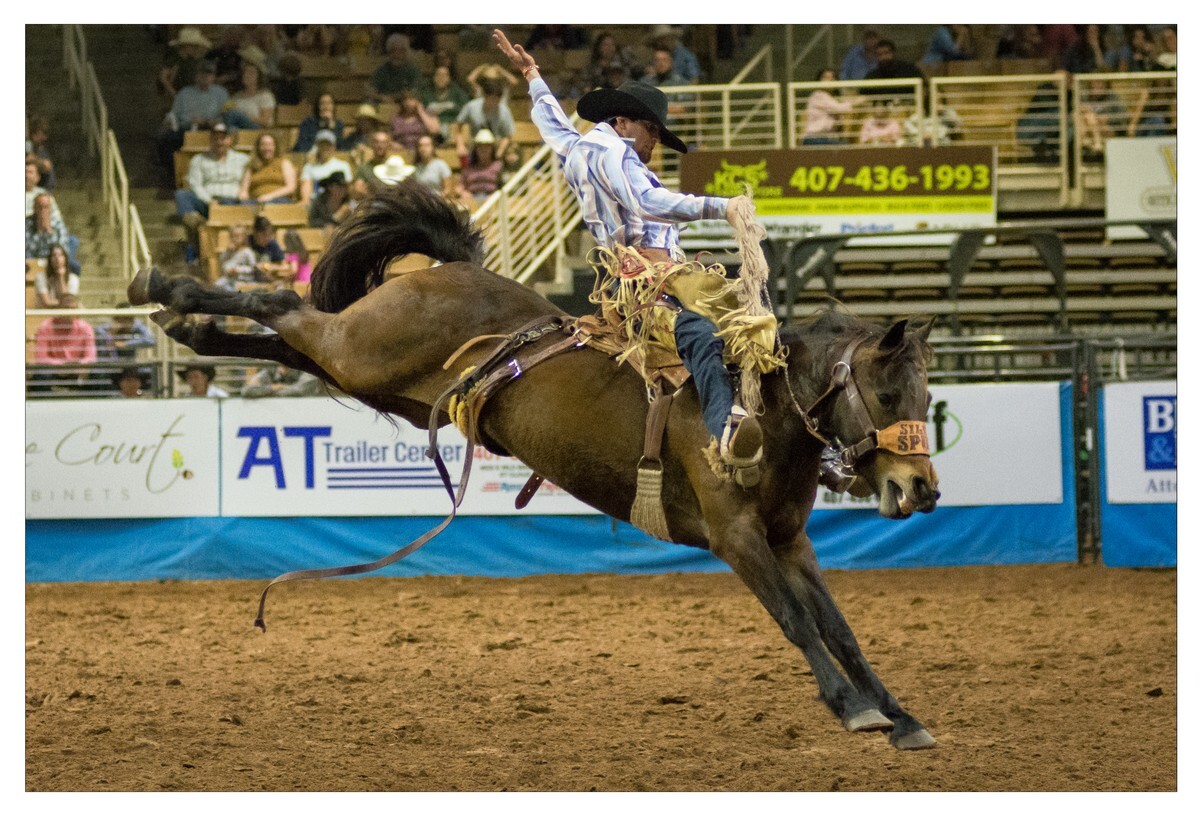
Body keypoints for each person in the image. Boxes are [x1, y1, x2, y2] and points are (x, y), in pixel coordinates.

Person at [494, 29, 779, 486]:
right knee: (706, 332)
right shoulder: (615, 153)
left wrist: (533, 76)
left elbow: (556, 130)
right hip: (644, 283)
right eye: (651, 131)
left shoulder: (583, 148)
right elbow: (648, 202)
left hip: (650, 274)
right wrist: (720, 206)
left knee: (745, 327)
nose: (654, 144)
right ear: (625, 122)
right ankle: (725, 432)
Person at [176, 123, 249, 260]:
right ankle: (194, 222)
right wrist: (210, 201)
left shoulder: (243, 159)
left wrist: (243, 191)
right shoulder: (198, 160)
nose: (219, 142)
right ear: (210, 140)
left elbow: (248, 179)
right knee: (182, 195)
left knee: (230, 202)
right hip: (207, 203)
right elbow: (196, 185)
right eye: (215, 138)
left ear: (229, 140)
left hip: (231, 201)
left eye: (223, 138)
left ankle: (201, 234)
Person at [456, 67, 515, 157]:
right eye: (492, 100)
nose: (494, 103)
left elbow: (508, 135)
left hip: (494, 147)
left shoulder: (504, 111)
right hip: (474, 147)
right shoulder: (472, 106)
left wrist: (500, 151)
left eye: (497, 100)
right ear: (484, 96)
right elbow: (458, 125)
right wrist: (460, 144)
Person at [34, 295, 96, 367]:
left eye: (73, 309)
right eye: (66, 308)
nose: (69, 312)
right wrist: (61, 365)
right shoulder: (45, 327)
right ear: (59, 310)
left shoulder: (85, 327)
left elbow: (91, 357)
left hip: (78, 369)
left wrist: (78, 366)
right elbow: (41, 358)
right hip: (53, 370)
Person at [801, 69, 860, 145]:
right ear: (819, 81)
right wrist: (857, 101)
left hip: (826, 139)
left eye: (832, 78)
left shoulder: (832, 99)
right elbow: (840, 108)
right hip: (814, 138)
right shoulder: (818, 95)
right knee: (845, 147)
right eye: (825, 78)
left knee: (845, 144)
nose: (829, 81)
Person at [238, 132, 297, 204]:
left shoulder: (284, 163)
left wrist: (269, 196)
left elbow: (291, 187)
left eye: (270, 145)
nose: (267, 148)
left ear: (275, 147)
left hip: (279, 200)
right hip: (256, 201)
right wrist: (243, 200)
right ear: (258, 147)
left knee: (269, 205)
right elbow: (244, 190)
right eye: (263, 145)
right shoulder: (251, 166)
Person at [299, 129, 353, 205]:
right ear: (317, 146)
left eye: (328, 144)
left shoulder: (343, 166)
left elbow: (348, 188)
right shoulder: (309, 167)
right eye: (322, 144)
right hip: (316, 204)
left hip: (337, 203)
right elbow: (306, 186)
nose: (325, 147)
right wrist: (306, 201)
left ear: (334, 146)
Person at [159, 26, 212, 102]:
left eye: (196, 46)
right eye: (193, 46)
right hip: (178, 90)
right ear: (185, 45)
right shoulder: (174, 58)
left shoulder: (194, 58)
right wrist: (173, 92)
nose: (195, 49)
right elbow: (163, 77)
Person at [420, 65, 471, 143]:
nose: (441, 78)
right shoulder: (426, 95)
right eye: (438, 75)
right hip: (433, 130)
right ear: (434, 78)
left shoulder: (457, 93)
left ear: (449, 78)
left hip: (455, 130)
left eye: (444, 75)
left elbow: (467, 110)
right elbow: (422, 112)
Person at [453, 128, 502, 203]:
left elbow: (504, 187)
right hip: (471, 201)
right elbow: (460, 187)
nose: (484, 149)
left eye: (487, 146)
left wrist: (496, 195)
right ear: (475, 149)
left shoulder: (498, 166)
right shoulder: (468, 167)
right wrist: (463, 193)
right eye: (480, 146)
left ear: (492, 148)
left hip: (493, 203)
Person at [369, 33, 422, 103]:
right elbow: (370, 91)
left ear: (406, 52)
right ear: (388, 52)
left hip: (406, 107)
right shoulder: (381, 70)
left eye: (401, 51)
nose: (397, 55)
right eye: (393, 50)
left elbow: (413, 93)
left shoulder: (412, 69)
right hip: (384, 106)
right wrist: (382, 98)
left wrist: (392, 97)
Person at [224, 59, 276, 129]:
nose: (246, 75)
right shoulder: (237, 96)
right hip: (238, 128)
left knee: (233, 114)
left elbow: (265, 121)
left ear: (258, 77)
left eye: (251, 73)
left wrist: (245, 116)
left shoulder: (265, 96)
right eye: (245, 72)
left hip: (257, 128)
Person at [352, 130, 402, 198]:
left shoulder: (395, 165)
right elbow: (358, 189)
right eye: (376, 142)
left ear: (388, 145)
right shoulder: (364, 168)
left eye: (383, 142)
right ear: (372, 144)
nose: (380, 146)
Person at [26, 193, 74, 262]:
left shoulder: (58, 224)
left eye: (46, 207)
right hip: (32, 263)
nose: (43, 211)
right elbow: (27, 251)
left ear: (50, 209)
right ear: (34, 208)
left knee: (74, 265)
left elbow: (62, 251)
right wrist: (39, 232)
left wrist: (50, 232)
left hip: (52, 264)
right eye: (40, 207)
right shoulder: (26, 224)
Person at [248, 215, 296, 283]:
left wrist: (269, 267)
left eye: (269, 234)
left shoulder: (272, 244)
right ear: (255, 233)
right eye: (264, 234)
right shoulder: (247, 242)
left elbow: (285, 266)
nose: (267, 238)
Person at [216, 223, 265, 289]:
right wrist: (227, 251)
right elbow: (222, 262)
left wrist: (238, 270)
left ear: (244, 237)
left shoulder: (247, 252)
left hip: (242, 280)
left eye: (239, 236)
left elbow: (253, 268)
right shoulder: (230, 251)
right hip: (228, 279)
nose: (235, 238)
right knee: (217, 286)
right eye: (233, 236)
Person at [241, 364, 321, 398]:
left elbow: (299, 391)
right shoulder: (270, 372)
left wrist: (265, 393)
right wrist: (272, 388)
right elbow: (246, 390)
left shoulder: (308, 371)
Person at [25, 116, 56, 190]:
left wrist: (36, 160)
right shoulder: (27, 145)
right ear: (34, 134)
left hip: (42, 188)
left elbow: (48, 166)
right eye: (42, 134)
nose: (44, 138)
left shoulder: (41, 149)